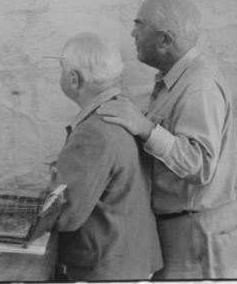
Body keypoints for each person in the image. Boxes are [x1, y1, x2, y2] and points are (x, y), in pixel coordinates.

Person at [97, 0, 237, 279]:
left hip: (196, 232)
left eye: (139, 26)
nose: (132, 33)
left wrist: (145, 127)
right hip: (184, 228)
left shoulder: (198, 85)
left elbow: (201, 165)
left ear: (165, 40)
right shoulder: (177, 81)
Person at [46, 33, 163, 281]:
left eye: (62, 70)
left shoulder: (93, 131)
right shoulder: (125, 112)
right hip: (132, 259)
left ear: (74, 79)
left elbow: (65, 214)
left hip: (104, 268)